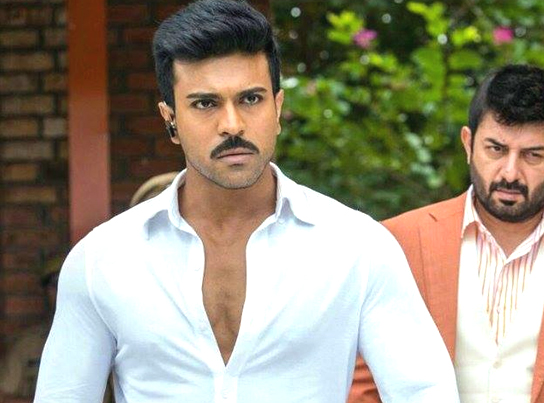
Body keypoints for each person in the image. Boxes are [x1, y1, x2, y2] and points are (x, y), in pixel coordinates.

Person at [34, 1, 457, 402]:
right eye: (205, 104)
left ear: (277, 108)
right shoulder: (102, 259)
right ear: (171, 120)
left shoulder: (357, 246)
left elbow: (424, 392)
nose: (232, 124)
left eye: (250, 99)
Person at [350, 64, 544, 403]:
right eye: (495, 149)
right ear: (468, 143)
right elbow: (362, 390)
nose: (510, 173)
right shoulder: (397, 241)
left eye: (533, 155)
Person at [0, 257, 61, 403]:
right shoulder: (28, 345)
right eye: (54, 284)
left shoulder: (101, 343)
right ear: (45, 292)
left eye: (66, 283)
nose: (60, 291)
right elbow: (3, 396)